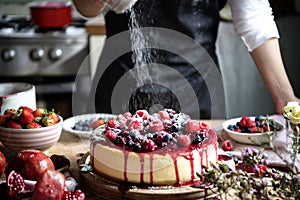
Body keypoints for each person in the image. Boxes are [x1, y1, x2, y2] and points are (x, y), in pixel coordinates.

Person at [73, 0, 299, 118]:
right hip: (120, 88)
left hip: (197, 93)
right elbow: (85, 7)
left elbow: (254, 18)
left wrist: (285, 98)